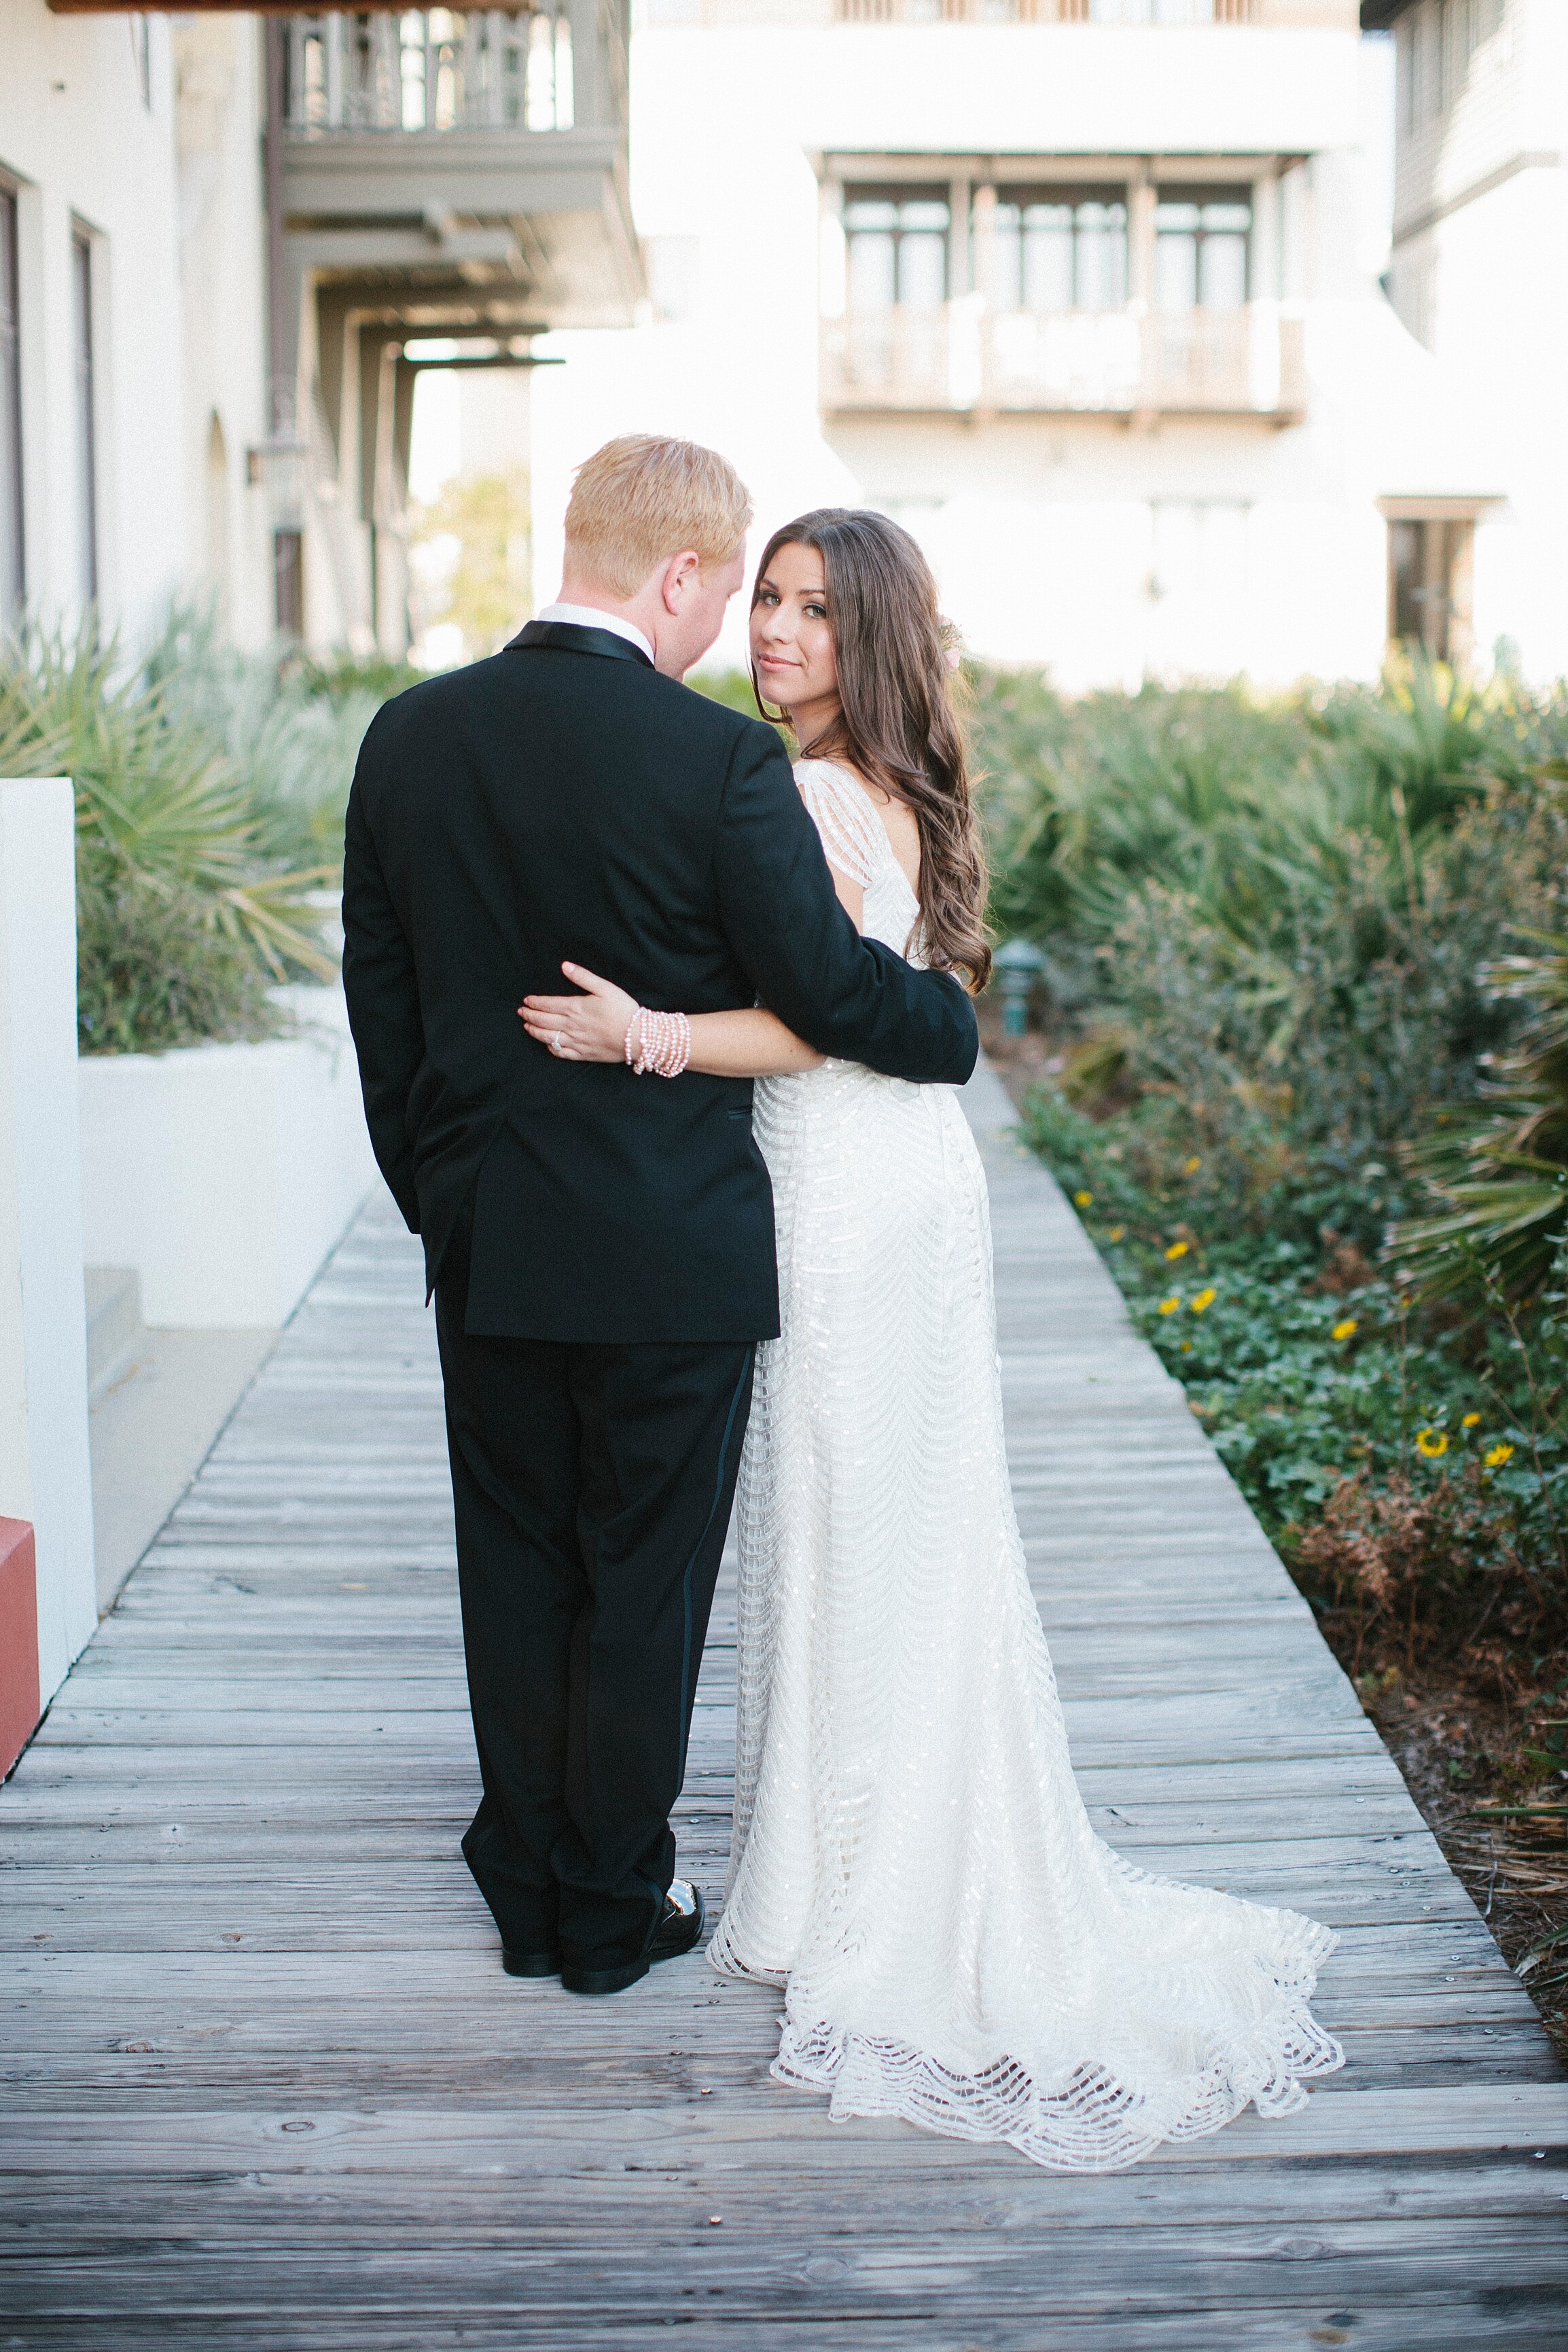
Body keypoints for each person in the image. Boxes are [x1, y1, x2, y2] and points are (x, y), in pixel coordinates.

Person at [522, 507, 1344, 2167]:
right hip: (907, 1193)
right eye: (764, 599)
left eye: (816, 614)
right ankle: (849, 1857)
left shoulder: (815, 791)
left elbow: (829, 1022)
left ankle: (852, 1890)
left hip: (845, 1198)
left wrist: (646, 1035)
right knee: (895, 1531)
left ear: (873, 637)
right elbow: (907, 997)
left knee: (845, 1526)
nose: (774, 634)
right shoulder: (885, 783)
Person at [340, 441, 978, 2000]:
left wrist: (442, 1197)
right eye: (736, 590)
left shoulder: (411, 736)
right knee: (642, 1578)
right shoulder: (716, 765)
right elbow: (826, 996)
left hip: (488, 1236)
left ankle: (525, 1878)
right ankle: (608, 1907)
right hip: (675, 1251)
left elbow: (385, 1004)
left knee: (515, 1565)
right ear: (681, 574)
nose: (738, 633)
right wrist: (952, 1026)